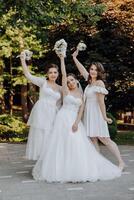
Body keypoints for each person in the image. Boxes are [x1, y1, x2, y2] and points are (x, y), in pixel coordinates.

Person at [32, 55, 121, 183]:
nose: (70, 83)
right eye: (68, 81)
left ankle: (76, 169)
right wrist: (62, 59)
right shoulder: (65, 92)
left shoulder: (82, 94)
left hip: (74, 120)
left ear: (76, 81)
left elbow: (81, 110)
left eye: (72, 80)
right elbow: (63, 74)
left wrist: (77, 123)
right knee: (61, 144)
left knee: (77, 143)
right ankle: (60, 169)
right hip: (62, 119)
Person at [72, 50, 125, 171]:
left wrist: (105, 117)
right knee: (92, 139)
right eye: (91, 69)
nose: (93, 71)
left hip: (97, 114)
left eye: (95, 70)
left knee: (105, 139)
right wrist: (74, 58)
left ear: (99, 72)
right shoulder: (89, 82)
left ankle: (121, 162)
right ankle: (97, 163)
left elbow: (101, 102)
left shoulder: (100, 83)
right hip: (88, 114)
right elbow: (81, 70)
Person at [20, 51, 62, 160]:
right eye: (50, 72)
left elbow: (60, 104)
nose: (53, 74)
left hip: (53, 113)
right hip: (42, 112)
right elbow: (28, 75)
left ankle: (49, 160)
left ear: (58, 74)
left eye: (55, 72)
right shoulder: (43, 82)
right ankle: (41, 159)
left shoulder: (60, 88)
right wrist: (22, 60)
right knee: (40, 135)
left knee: (50, 135)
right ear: (47, 74)